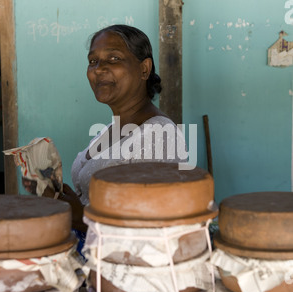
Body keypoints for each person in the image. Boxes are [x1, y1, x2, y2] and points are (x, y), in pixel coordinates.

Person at [33, 25, 188, 236]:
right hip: (91, 253)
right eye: (92, 61)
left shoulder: (158, 135)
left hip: (122, 265)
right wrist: (62, 198)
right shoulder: (109, 130)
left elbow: (153, 228)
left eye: (114, 59)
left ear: (144, 69)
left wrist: (80, 216)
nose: (98, 69)